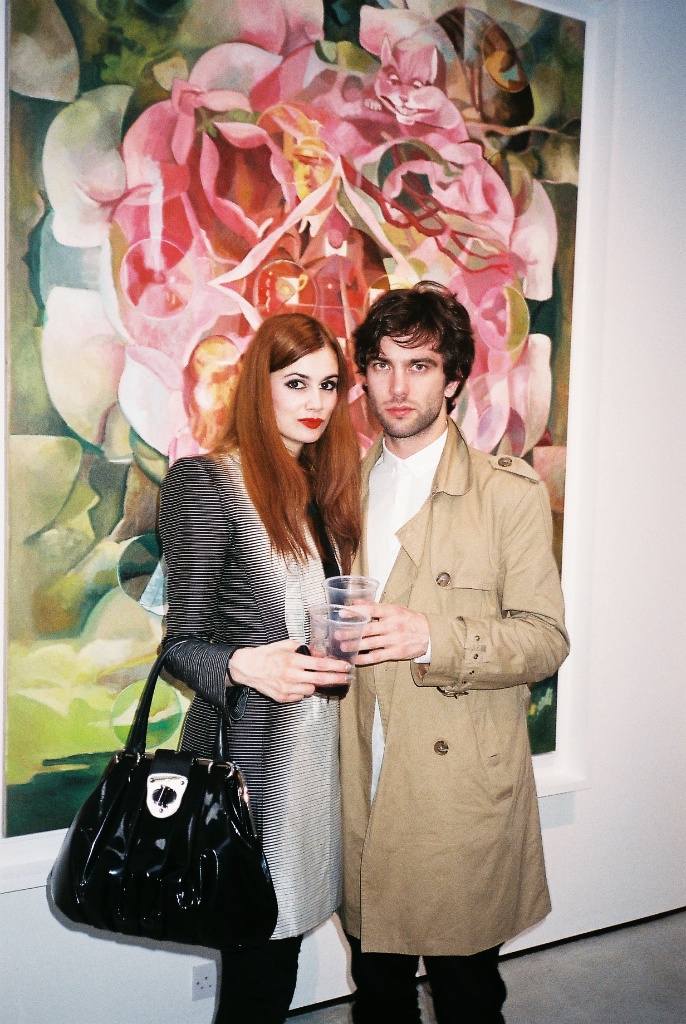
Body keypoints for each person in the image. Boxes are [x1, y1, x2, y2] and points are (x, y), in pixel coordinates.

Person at [339, 282, 570, 1024]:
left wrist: (433, 637)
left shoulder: (508, 493)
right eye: (381, 364)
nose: (397, 386)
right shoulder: (342, 487)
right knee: (377, 994)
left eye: (420, 365)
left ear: (453, 379)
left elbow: (546, 638)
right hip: (364, 776)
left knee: (468, 995)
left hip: (457, 785)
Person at [158, 313, 361, 1024]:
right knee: (258, 968)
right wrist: (248, 665)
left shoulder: (321, 490)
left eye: (329, 385)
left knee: (283, 957)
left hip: (320, 764)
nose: (316, 401)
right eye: (296, 382)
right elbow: (181, 644)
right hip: (249, 769)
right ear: (259, 386)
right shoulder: (206, 481)